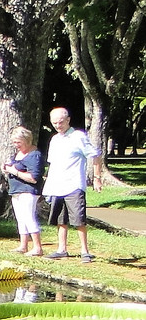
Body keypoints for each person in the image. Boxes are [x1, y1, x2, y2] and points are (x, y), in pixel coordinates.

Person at [42, 107, 98, 261]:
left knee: (78, 220)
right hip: (57, 185)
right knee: (60, 219)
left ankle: (85, 251)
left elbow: (94, 155)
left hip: (74, 185)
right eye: (54, 123)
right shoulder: (55, 139)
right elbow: (52, 163)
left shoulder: (78, 136)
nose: (58, 126)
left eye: (60, 122)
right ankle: (61, 249)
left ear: (68, 120)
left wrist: (97, 178)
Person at [2, 126, 43, 255]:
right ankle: (23, 245)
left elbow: (33, 178)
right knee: (20, 218)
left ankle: (37, 247)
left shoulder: (34, 155)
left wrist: (14, 171)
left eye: (18, 142)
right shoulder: (19, 154)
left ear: (27, 140)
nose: (16, 145)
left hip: (28, 191)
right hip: (16, 191)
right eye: (14, 142)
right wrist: (8, 168)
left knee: (28, 217)